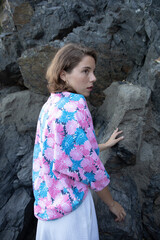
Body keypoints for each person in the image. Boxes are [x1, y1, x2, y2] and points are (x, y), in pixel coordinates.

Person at [32, 43, 126, 240]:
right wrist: (112, 204)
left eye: (93, 71)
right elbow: (90, 167)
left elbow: (62, 152)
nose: (93, 78)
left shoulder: (51, 104)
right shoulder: (74, 108)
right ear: (63, 74)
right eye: (85, 71)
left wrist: (100, 146)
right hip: (71, 212)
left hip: (48, 209)